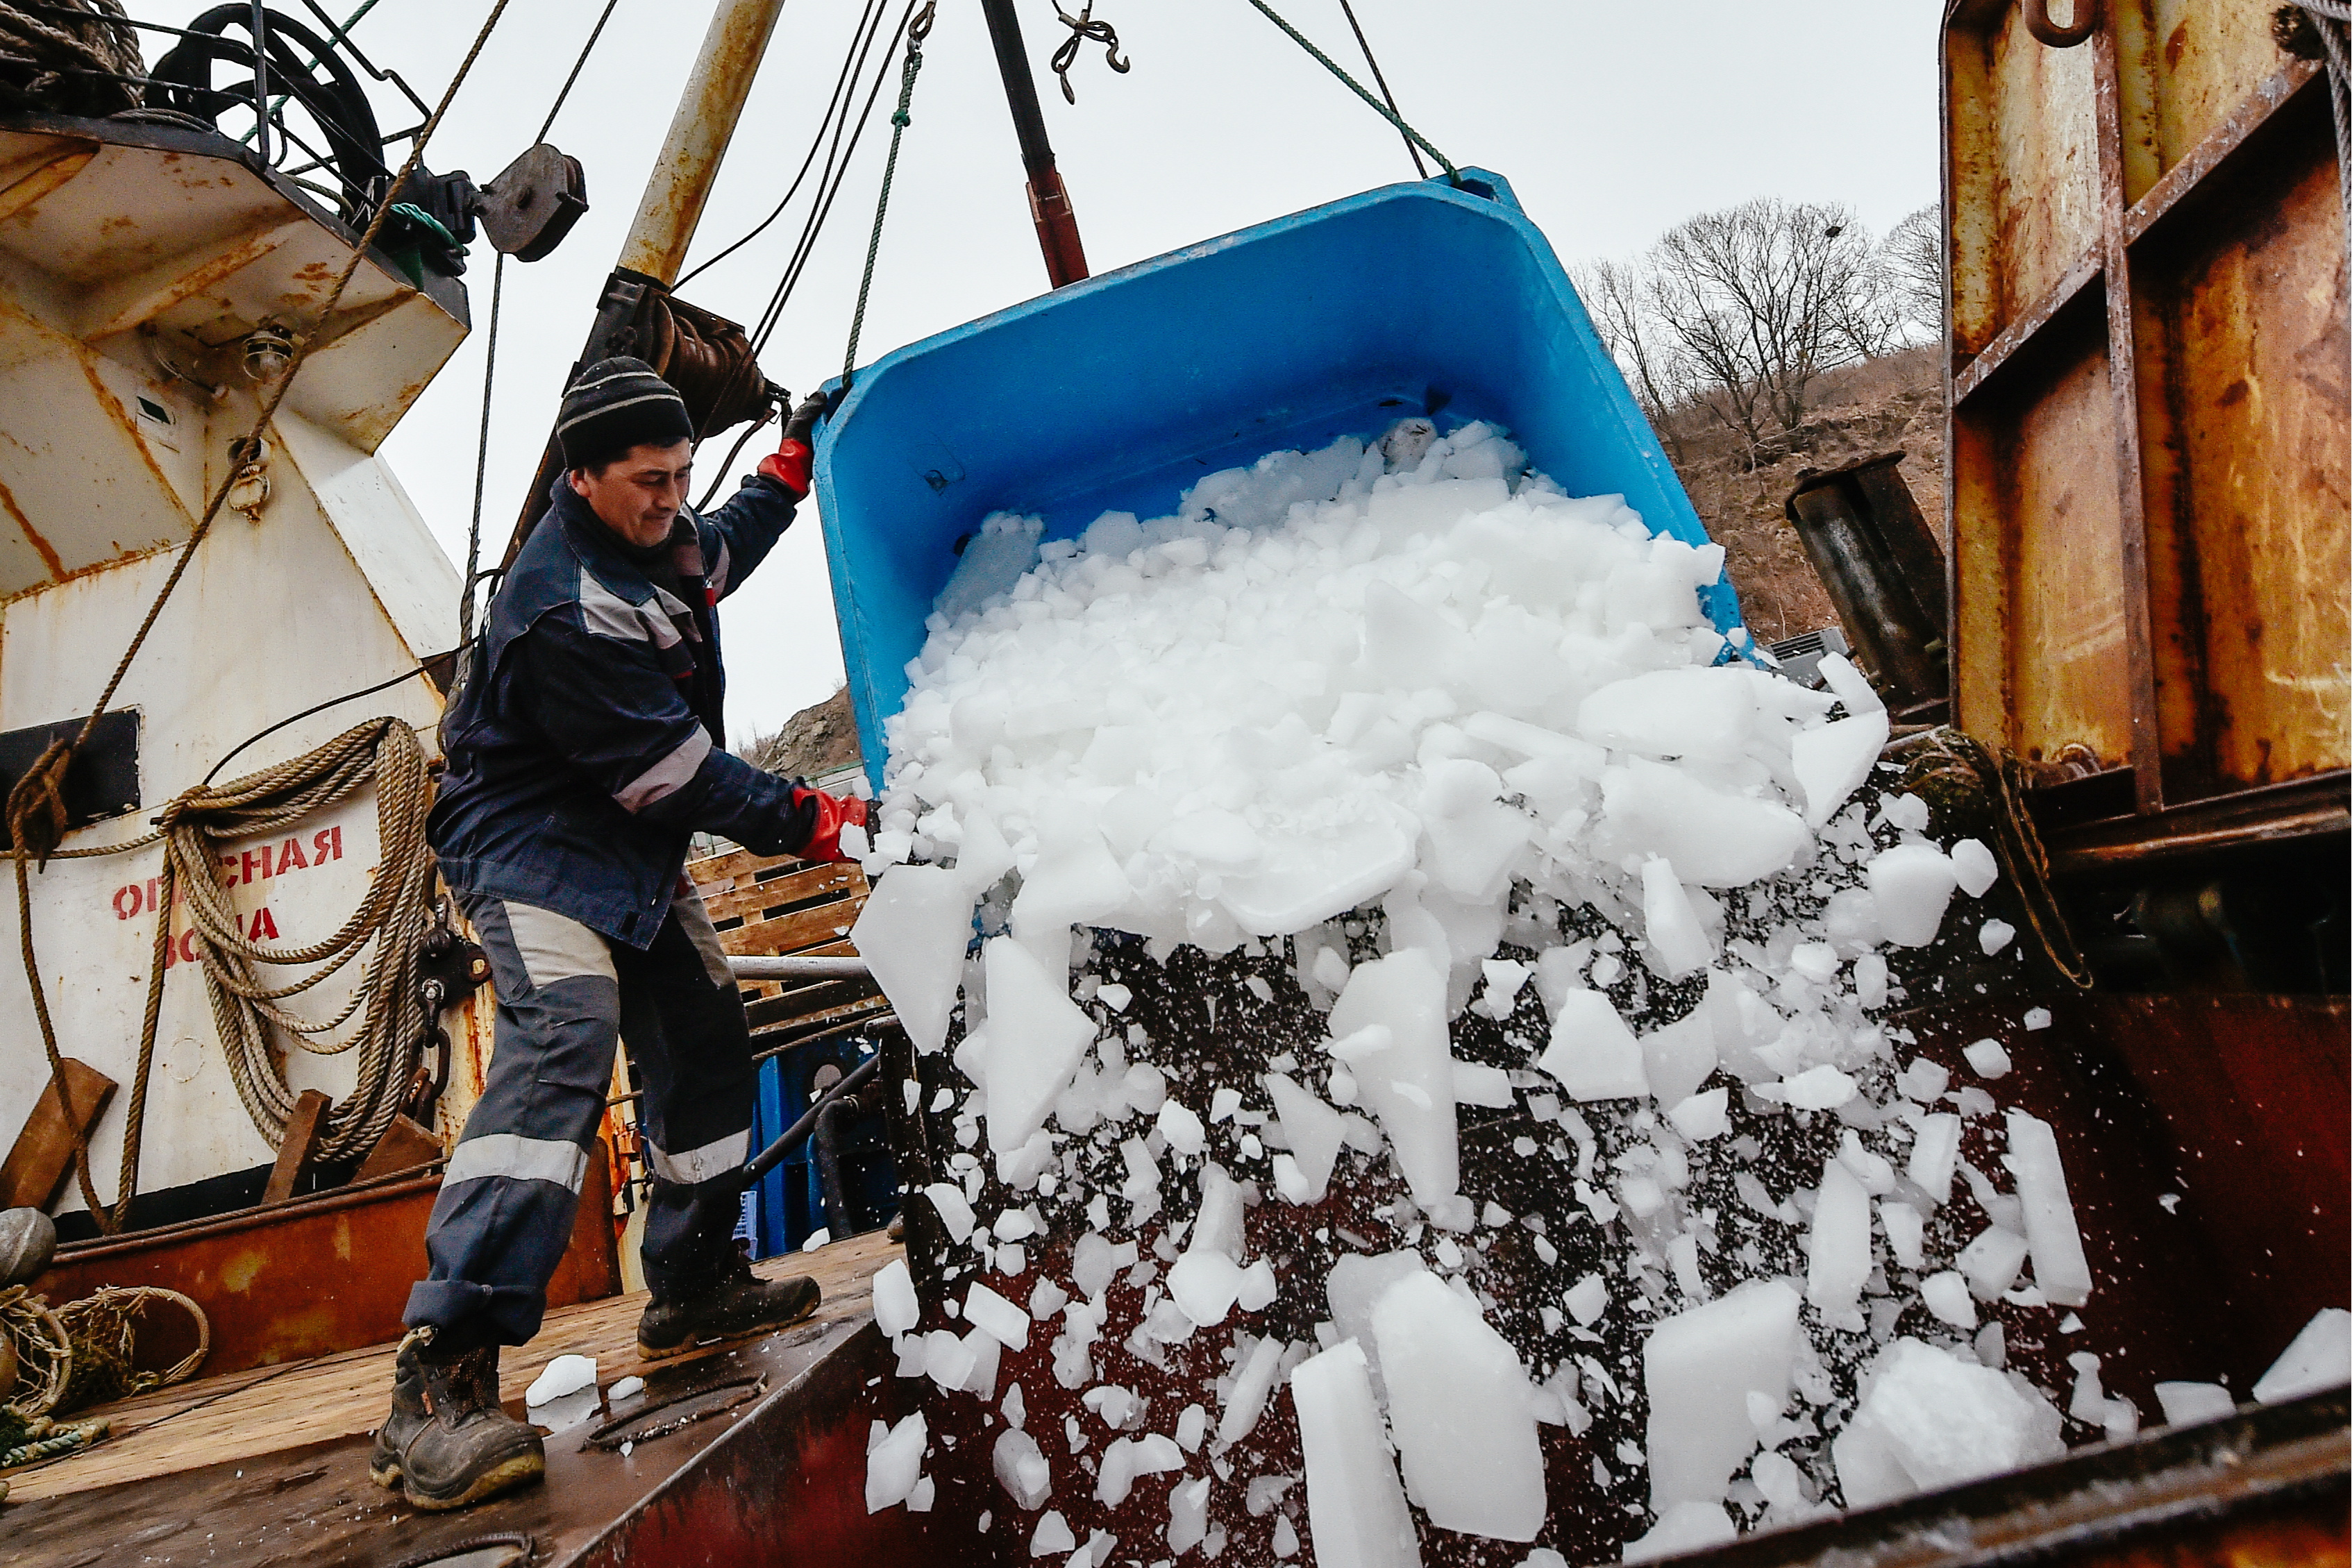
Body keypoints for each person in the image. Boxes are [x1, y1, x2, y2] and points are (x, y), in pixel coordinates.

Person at [371, 359, 867, 1512]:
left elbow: (721, 548)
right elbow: (681, 776)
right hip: (533, 846)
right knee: (563, 1043)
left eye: (681, 475)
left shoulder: (658, 538)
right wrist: (829, 822)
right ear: (581, 478)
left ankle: (693, 1281)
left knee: (704, 1035)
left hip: (625, 844)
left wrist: (788, 468)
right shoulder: (555, 606)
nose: (669, 498)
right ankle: (439, 1378)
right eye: (649, 481)